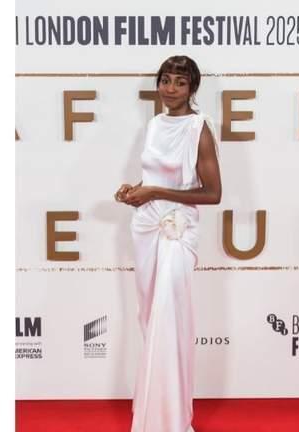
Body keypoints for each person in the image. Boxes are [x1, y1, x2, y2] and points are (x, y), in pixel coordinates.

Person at [114, 55, 222, 432]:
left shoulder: (199, 129)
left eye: (180, 82)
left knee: (168, 319)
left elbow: (212, 193)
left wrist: (156, 192)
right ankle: (153, 415)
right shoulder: (154, 125)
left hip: (177, 232)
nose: (170, 88)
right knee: (149, 319)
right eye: (165, 80)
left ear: (193, 88)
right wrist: (134, 190)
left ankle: (172, 422)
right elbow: (153, 178)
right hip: (146, 228)